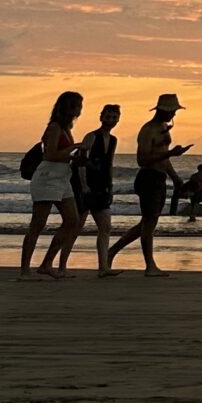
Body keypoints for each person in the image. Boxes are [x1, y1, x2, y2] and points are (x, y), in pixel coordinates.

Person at [106, 93, 192, 273]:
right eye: (171, 111)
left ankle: (112, 252)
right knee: (149, 223)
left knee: (147, 222)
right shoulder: (148, 130)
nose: (174, 115)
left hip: (159, 178)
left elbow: (163, 156)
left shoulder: (163, 127)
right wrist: (170, 154)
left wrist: (175, 177)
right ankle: (149, 265)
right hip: (148, 178)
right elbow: (142, 159)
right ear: (162, 110)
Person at [18, 91, 86, 278]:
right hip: (48, 176)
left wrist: (76, 157)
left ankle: (47, 263)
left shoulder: (66, 128)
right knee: (38, 223)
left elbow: (61, 155)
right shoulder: (55, 127)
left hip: (62, 177)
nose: (79, 109)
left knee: (73, 220)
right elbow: (50, 154)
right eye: (76, 105)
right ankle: (25, 269)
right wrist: (74, 147)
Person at [50, 102, 121, 275]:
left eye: (114, 117)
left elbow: (109, 163)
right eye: (107, 116)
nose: (110, 120)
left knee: (105, 227)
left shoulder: (113, 140)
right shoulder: (92, 136)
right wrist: (83, 185)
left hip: (102, 187)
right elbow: (81, 161)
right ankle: (61, 267)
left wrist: (110, 185)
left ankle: (103, 267)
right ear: (101, 117)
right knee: (75, 227)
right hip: (85, 186)